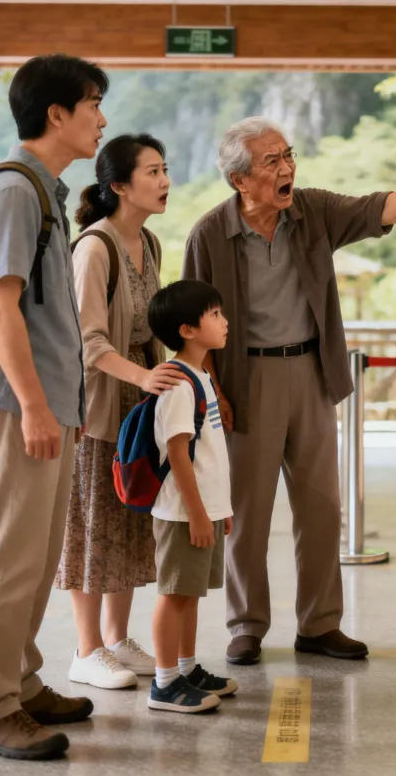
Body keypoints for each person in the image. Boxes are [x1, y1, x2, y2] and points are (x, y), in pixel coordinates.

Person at [182, 117, 396, 666]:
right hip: (244, 381)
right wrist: (212, 389)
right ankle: (246, 625)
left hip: (310, 372)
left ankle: (320, 624)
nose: (286, 169)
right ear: (239, 180)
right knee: (248, 515)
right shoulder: (209, 235)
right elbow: (189, 322)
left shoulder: (312, 211)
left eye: (288, 155)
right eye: (271, 162)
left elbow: (376, 208)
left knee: (321, 507)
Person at [0, 54, 108, 762]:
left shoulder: (45, 190)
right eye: (92, 104)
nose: (101, 120)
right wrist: (35, 407)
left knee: (36, 558)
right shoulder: (15, 191)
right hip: (21, 407)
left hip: (46, 405)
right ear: (57, 114)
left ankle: (19, 681)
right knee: (8, 561)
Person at [55, 134, 190, 690]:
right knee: (91, 528)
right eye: (152, 172)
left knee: (129, 522)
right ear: (118, 185)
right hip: (98, 407)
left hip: (140, 406)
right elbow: (87, 342)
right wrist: (143, 377)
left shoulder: (150, 243)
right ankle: (85, 651)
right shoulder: (95, 247)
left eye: (165, 169)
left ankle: (115, 639)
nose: (164, 181)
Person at [145, 280, 237, 713]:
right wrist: (200, 515)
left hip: (202, 510)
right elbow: (179, 456)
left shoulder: (201, 375)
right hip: (184, 513)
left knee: (191, 593)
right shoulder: (179, 385)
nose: (224, 322)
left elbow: (210, 454)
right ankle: (165, 684)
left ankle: (186, 667)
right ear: (187, 329)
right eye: (214, 314)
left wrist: (221, 510)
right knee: (175, 594)